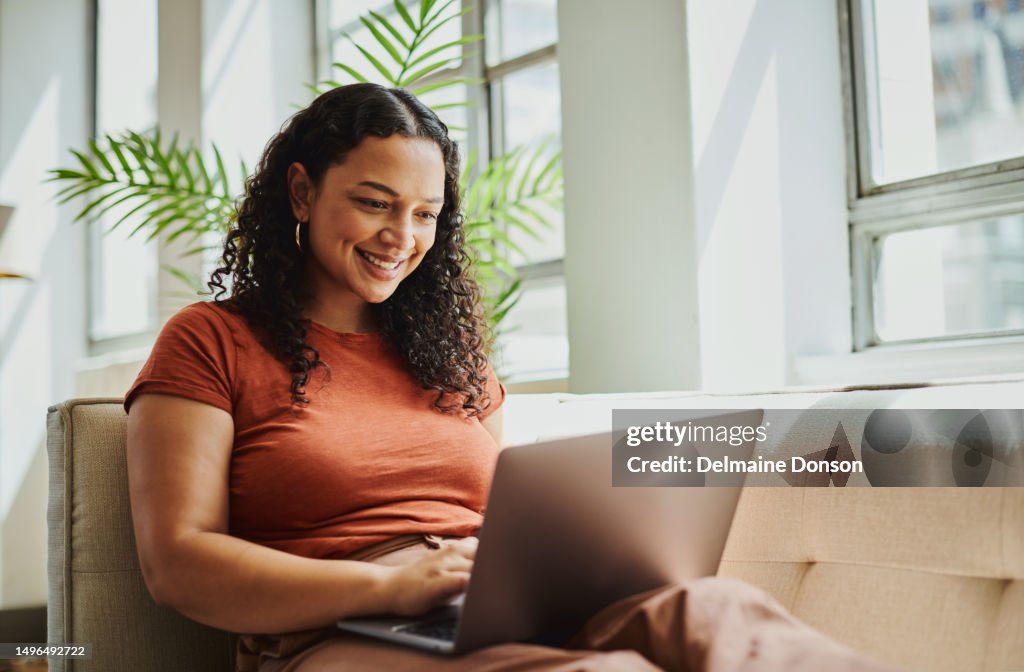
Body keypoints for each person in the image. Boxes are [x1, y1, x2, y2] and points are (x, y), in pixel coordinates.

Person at [125, 83, 897, 672]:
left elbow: (509, 514)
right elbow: (179, 562)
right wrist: (390, 588)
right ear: (301, 191)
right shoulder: (211, 341)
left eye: (426, 214)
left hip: (484, 602)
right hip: (336, 635)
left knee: (722, 611)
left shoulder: (450, 355)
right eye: (374, 203)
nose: (402, 237)